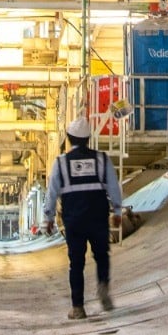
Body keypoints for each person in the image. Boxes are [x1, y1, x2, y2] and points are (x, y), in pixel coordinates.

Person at [45, 116, 123, 319]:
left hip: (74, 220)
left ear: (69, 138)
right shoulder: (101, 159)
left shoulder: (61, 163)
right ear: (89, 139)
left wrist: (49, 217)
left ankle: (78, 307)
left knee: (76, 263)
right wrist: (117, 211)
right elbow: (113, 186)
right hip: (98, 217)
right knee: (102, 255)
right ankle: (103, 284)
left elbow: (52, 191)